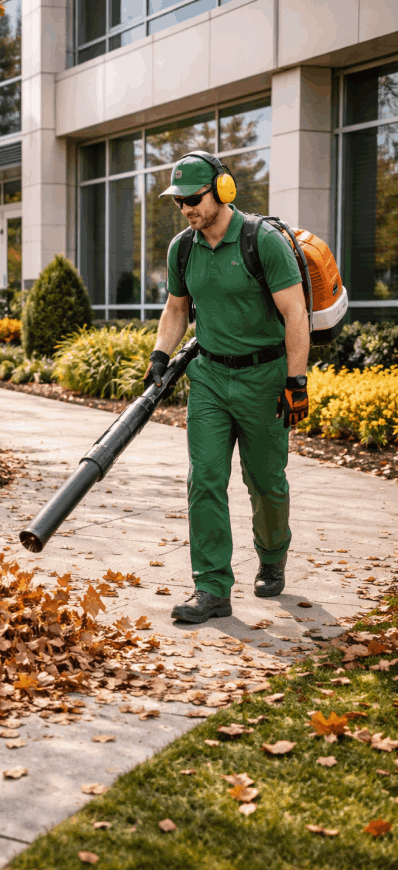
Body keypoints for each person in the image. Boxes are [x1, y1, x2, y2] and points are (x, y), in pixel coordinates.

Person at [144, 151, 310, 625]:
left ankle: (273, 552)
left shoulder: (264, 242)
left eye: (193, 199)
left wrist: (296, 382)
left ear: (222, 190)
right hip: (211, 379)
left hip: (264, 378)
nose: (187, 210)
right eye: (179, 203)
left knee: (265, 482)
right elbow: (177, 308)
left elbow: (295, 315)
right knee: (205, 480)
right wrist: (160, 354)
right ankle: (212, 587)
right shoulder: (183, 248)